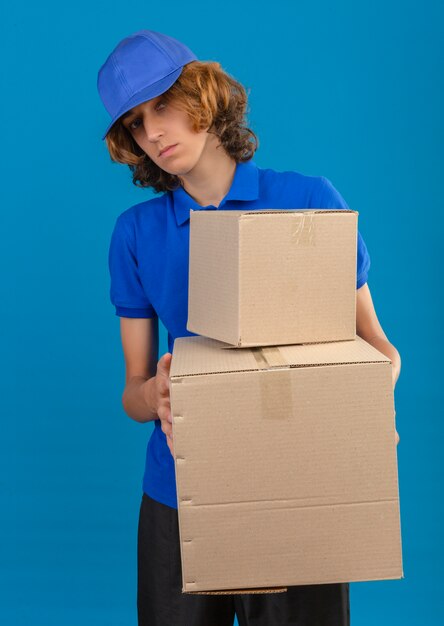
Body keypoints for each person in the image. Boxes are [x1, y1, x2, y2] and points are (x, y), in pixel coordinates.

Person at [97, 29, 401, 626]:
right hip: (180, 493)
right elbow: (133, 390)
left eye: (163, 105)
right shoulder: (136, 234)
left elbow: (379, 349)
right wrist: (154, 394)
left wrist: (364, 410)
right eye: (135, 123)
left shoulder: (309, 202)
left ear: (204, 95)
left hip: (296, 486)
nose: (153, 131)